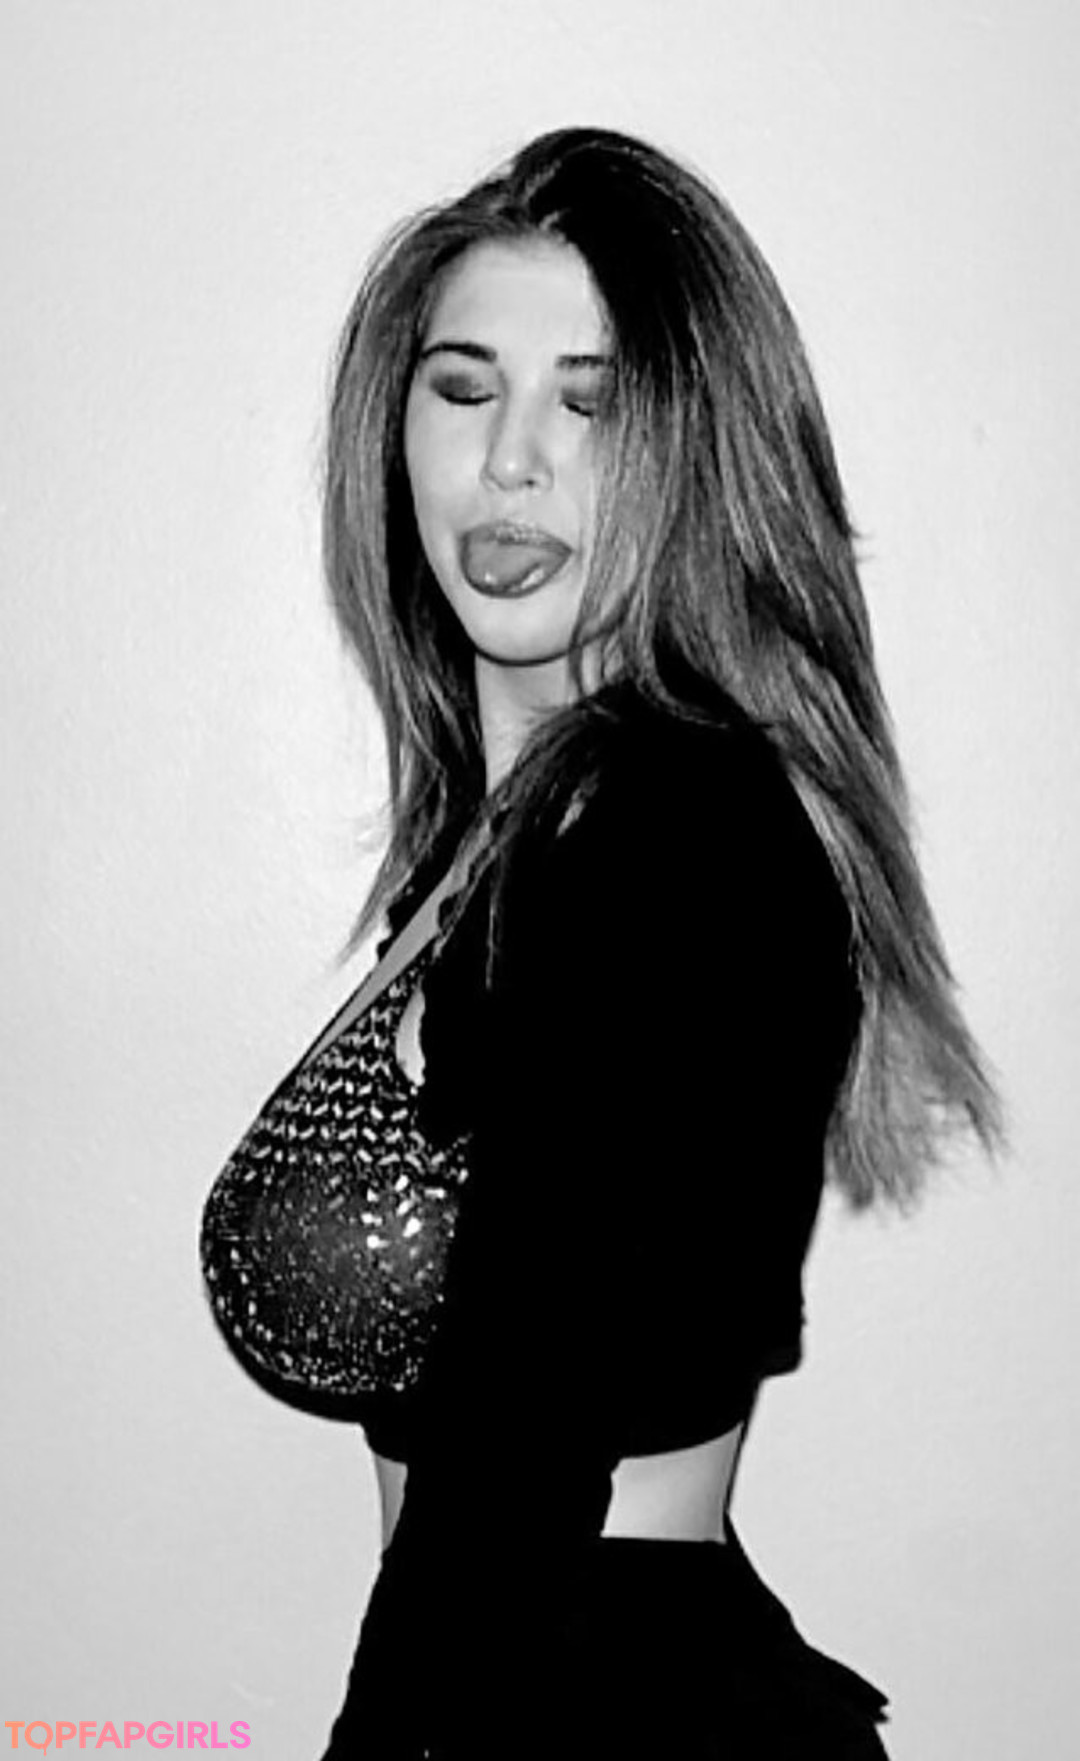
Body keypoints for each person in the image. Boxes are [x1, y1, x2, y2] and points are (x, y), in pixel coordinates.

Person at [200, 127, 1002, 1758]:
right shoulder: (508, 838)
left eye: (593, 403)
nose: (511, 462)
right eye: (463, 388)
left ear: (699, 453)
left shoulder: (671, 831)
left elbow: (517, 1446)